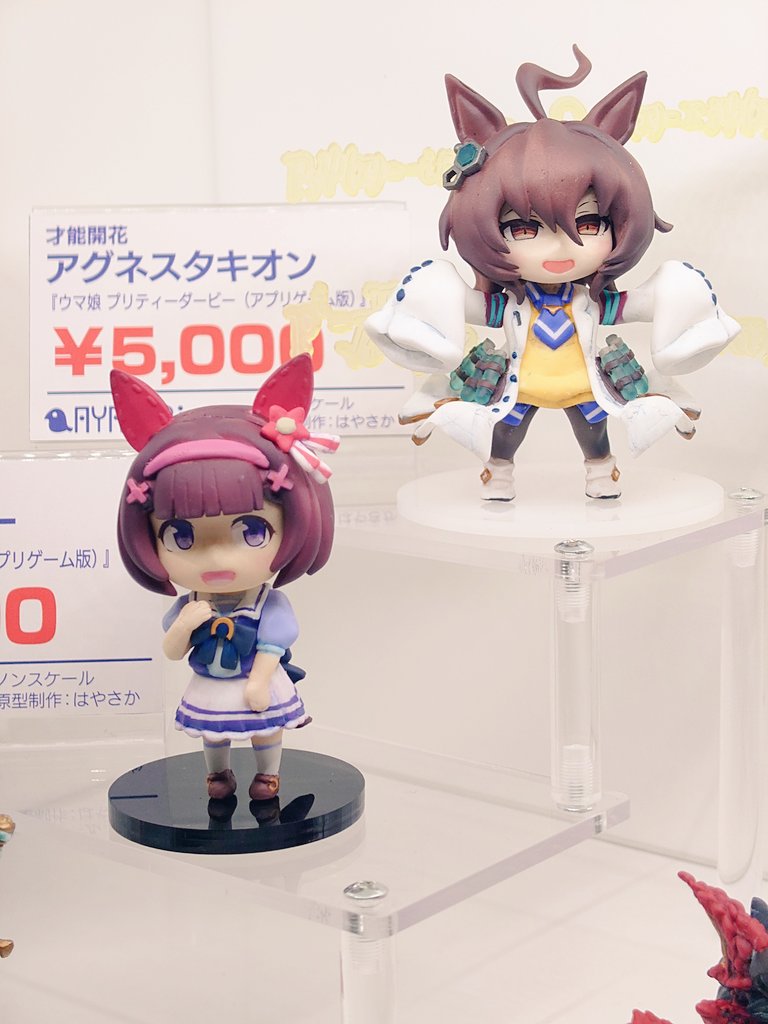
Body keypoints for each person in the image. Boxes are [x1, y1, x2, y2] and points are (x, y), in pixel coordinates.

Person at [366, 46, 740, 500]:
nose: (559, 246)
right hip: (522, 384)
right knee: (507, 431)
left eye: (589, 223)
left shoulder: (593, 301)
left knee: (593, 430)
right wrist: (430, 293)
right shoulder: (511, 304)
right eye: (523, 229)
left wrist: (679, 295)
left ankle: (601, 471)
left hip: (582, 384)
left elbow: (639, 305)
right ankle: (498, 472)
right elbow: (469, 305)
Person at [112, 355, 337, 800]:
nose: (215, 557)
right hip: (211, 684)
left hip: (256, 682)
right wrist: (183, 625)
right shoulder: (191, 603)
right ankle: (218, 774)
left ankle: (268, 774)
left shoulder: (268, 605)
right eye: (181, 536)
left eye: (251, 532)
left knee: (266, 729)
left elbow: (273, 645)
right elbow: (172, 651)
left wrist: (259, 681)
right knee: (213, 735)